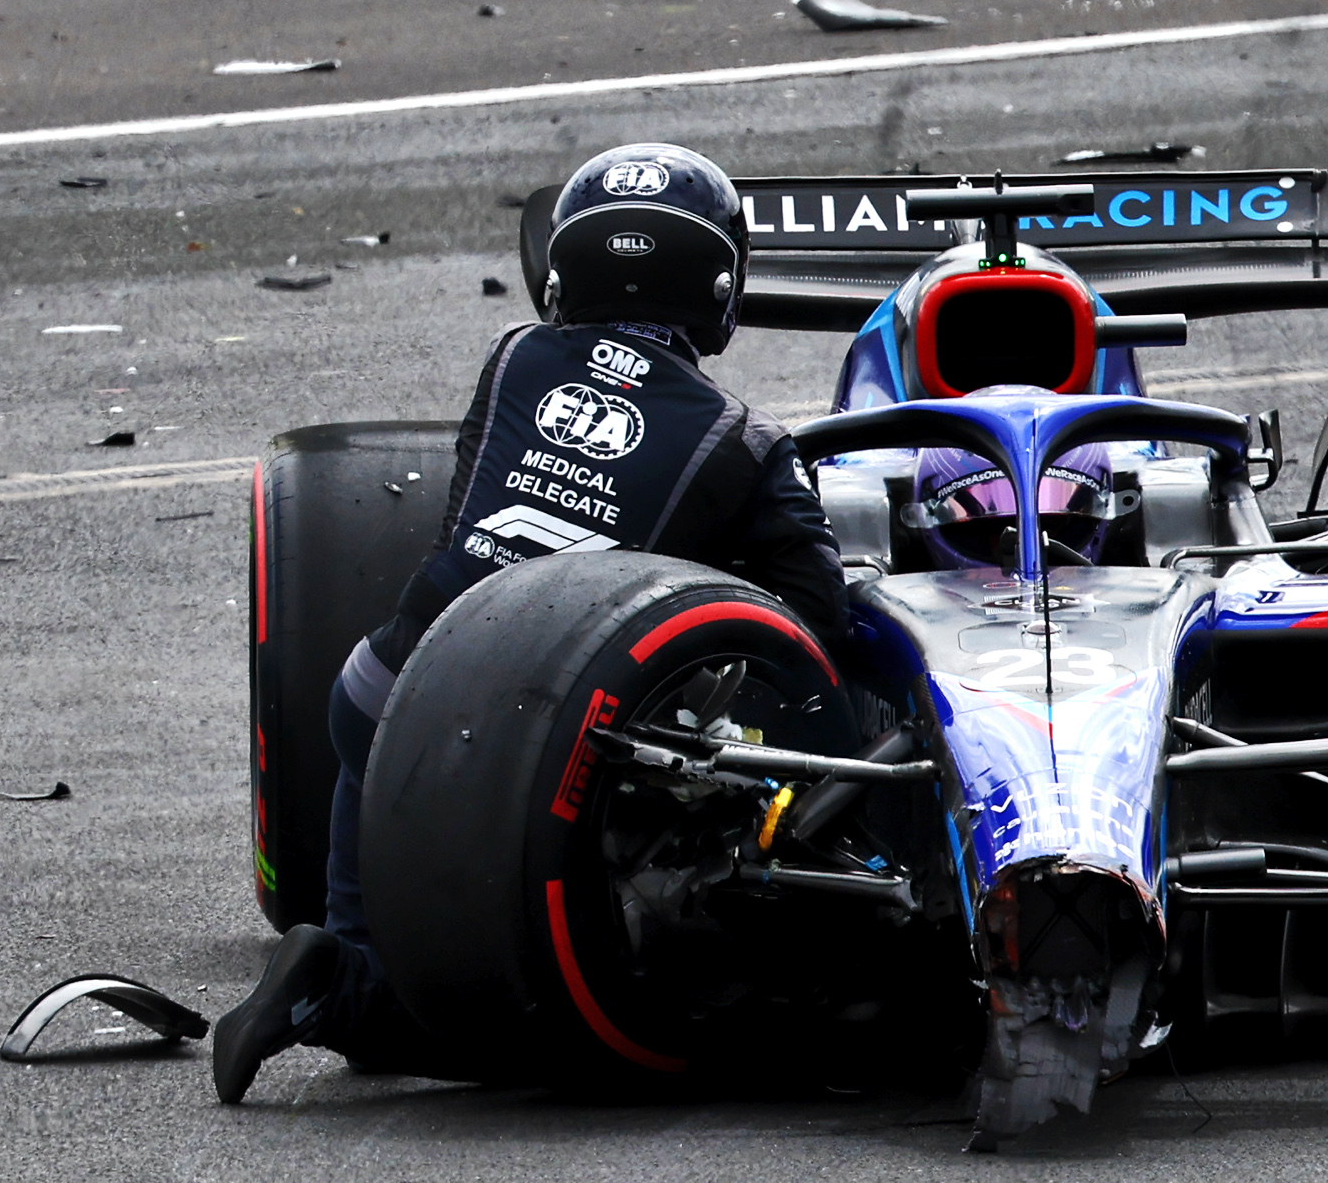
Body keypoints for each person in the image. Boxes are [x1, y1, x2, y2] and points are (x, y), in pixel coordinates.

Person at [209, 140, 849, 1101]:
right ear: (719, 289)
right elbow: (814, 633)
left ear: (562, 276)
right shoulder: (749, 443)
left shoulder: (512, 357)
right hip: (520, 747)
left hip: (383, 690)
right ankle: (365, 993)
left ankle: (329, 967)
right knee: (523, 1040)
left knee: (380, 988)